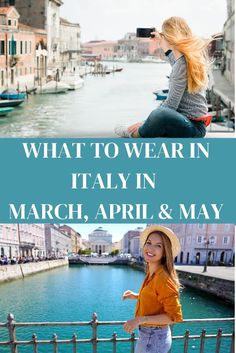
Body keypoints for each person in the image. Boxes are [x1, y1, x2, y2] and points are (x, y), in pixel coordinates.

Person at [115, 17, 210, 138]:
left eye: (163, 34)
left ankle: (133, 133)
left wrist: (144, 123)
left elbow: (171, 105)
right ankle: (144, 128)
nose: (162, 37)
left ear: (170, 37)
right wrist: (160, 41)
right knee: (160, 114)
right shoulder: (185, 60)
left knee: (160, 114)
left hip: (192, 127)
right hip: (191, 125)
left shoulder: (181, 64)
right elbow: (175, 63)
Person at [122, 225, 182, 353]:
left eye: (158, 245)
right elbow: (155, 297)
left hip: (154, 339)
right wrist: (137, 296)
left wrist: (140, 319)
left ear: (165, 252)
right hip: (151, 336)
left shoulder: (163, 278)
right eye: (149, 243)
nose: (150, 248)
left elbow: (173, 317)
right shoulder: (152, 272)